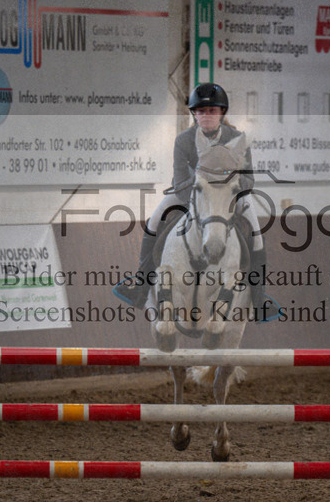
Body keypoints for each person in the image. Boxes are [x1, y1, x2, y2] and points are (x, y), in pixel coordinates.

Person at [113, 82, 282, 322]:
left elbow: (249, 179)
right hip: (191, 193)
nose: (206, 116)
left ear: (222, 113)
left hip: (230, 196)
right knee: (153, 221)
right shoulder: (183, 141)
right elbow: (179, 179)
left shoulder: (237, 139)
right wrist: (201, 193)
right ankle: (140, 285)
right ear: (194, 114)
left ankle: (259, 297)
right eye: (201, 111)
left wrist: (226, 190)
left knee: (256, 232)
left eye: (212, 111)